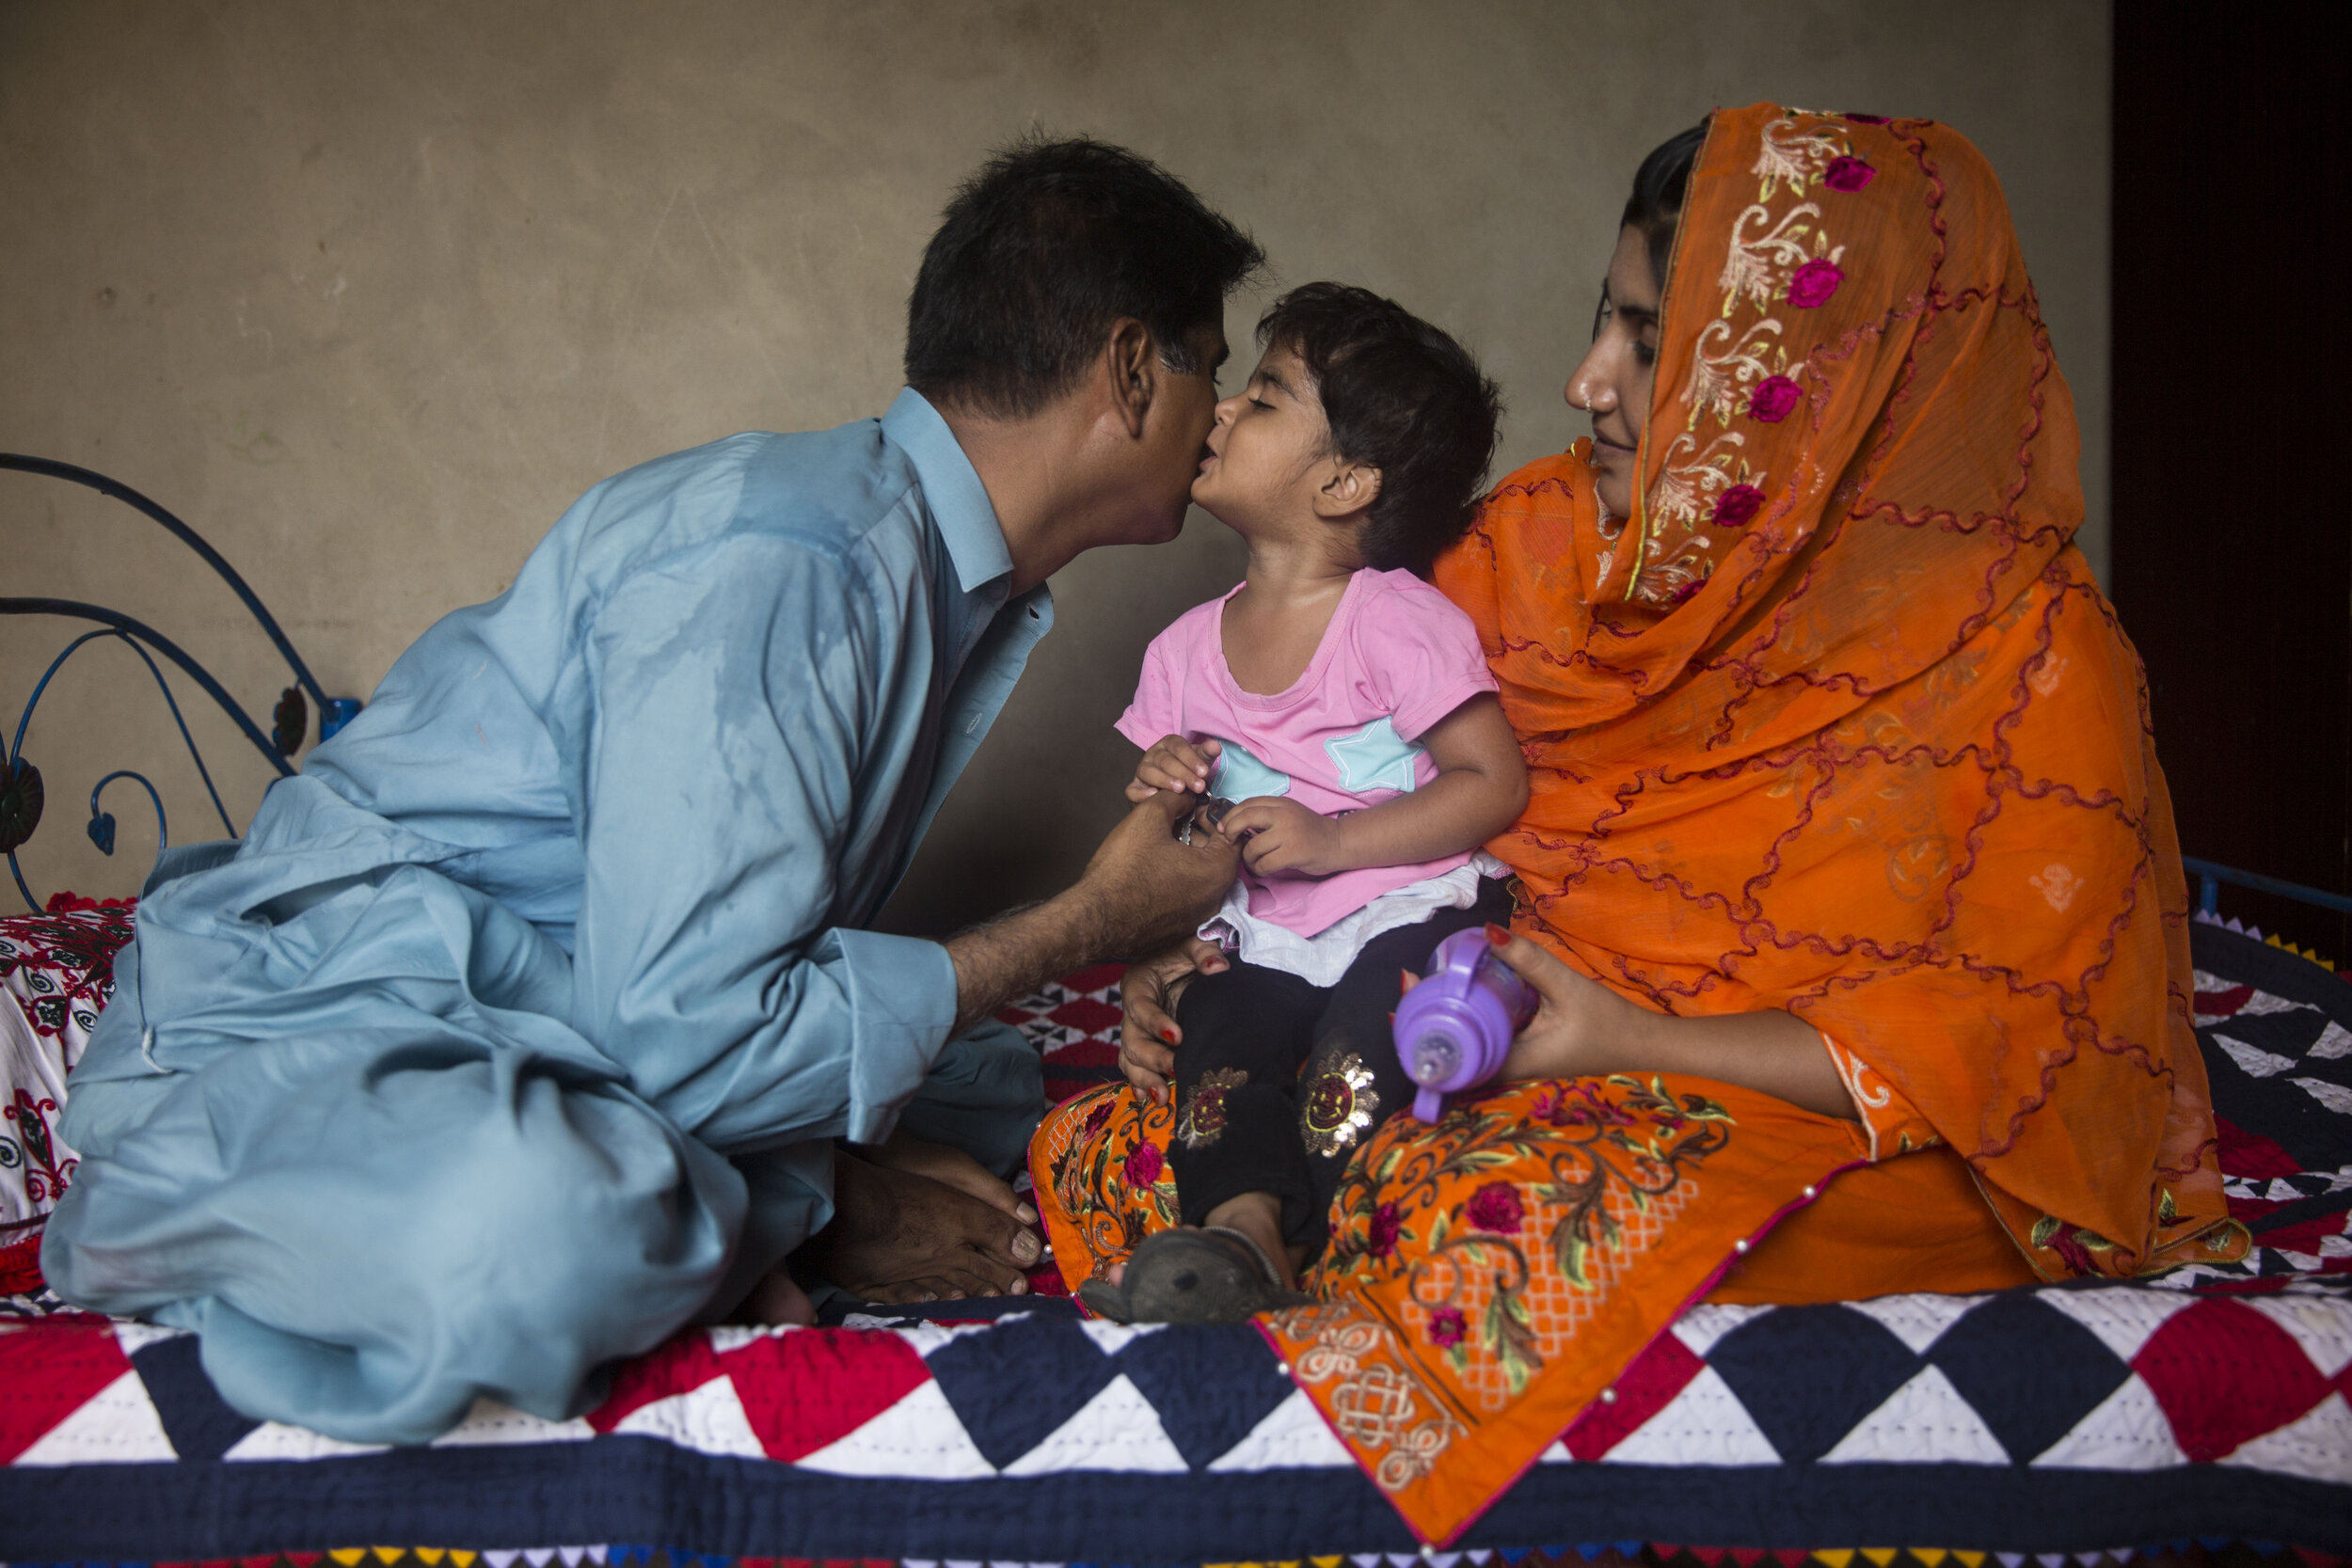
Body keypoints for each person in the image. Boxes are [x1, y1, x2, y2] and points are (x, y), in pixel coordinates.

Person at [1033, 107, 2246, 1544]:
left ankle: (1285, 1246)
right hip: (1497, 1021)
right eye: (1602, 323)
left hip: (1775, 1106)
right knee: (1220, 1100)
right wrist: (1193, 954)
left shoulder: (2027, 656)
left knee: (1524, 1202)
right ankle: (1257, 1228)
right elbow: (1353, 786)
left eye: (1647, 339)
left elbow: (1996, 1058)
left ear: (1815, 378)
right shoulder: (1543, 543)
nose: (1586, 380)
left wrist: (1625, 1037)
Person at [41, 135, 1260, 1445]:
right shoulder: (796, 559)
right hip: (311, 1026)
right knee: (560, 1222)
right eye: (1218, 370)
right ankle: (176, 1196)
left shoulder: (923, 569)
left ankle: (771, 1182)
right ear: (1132, 371)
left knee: (1013, 1094)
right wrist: (1086, 924)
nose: (1227, 419)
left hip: (551, 1002)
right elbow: (690, 1032)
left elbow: (703, 989)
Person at [1073, 284, 1524, 1323]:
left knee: (1353, 1061)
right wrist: (1169, 786)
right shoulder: (1182, 649)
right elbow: (1171, 830)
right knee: (1219, 1058)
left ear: (1344, 482)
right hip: (1264, 938)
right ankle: (1240, 1236)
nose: (1222, 407)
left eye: (1265, 395)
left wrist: (1333, 839)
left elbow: (1492, 782)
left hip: (1402, 908)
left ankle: (1324, 1251)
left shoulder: (1394, 621)